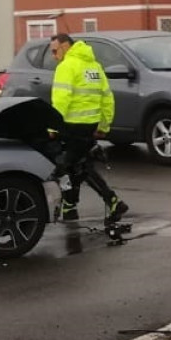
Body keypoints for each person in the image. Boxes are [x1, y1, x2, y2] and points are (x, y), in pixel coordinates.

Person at [48, 33, 126, 224]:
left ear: (65, 47)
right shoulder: (95, 67)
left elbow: (61, 100)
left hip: (71, 126)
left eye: (54, 51)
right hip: (89, 125)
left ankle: (111, 200)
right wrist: (104, 125)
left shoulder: (66, 66)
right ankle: (70, 206)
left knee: (70, 167)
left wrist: (52, 126)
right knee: (77, 166)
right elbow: (107, 98)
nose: (53, 56)